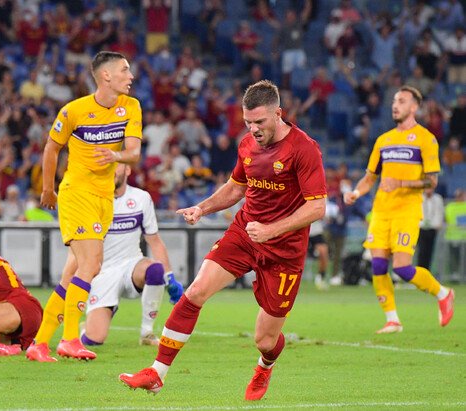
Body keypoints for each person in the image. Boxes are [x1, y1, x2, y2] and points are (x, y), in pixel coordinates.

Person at [119, 80, 327, 401]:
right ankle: (157, 373)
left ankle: (264, 366)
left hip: (284, 251)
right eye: (248, 122)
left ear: (278, 114)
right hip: (245, 234)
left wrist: (272, 230)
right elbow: (236, 188)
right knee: (196, 291)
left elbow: (317, 207)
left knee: (265, 340)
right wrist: (201, 208)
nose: (253, 129)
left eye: (260, 122)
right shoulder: (247, 144)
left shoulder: (304, 149)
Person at [26, 51, 142, 362]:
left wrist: (115, 156)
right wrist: (47, 189)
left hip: (104, 198)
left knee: (73, 274)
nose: (131, 76)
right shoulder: (74, 110)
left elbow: (133, 153)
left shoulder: (131, 106)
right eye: (124, 70)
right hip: (77, 193)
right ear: (106, 76)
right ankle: (69, 339)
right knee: (92, 264)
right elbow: (52, 148)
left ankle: (39, 343)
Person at [344, 85, 454, 334]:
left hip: (407, 210)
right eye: (394, 101)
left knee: (402, 268)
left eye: (402, 101)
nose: (395, 105)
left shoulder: (426, 139)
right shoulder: (384, 140)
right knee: (378, 266)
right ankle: (392, 319)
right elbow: (369, 178)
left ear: (414, 107)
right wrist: (356, 193)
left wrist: (401, 183)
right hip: (381, 211)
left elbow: (432, 182)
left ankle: (443, 293)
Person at [80, 163, 184, 347]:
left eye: (116, 165)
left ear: (127, 170)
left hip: (131, 265)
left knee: (155, 270)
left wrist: (170, 277)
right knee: (93, 340)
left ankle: (147, 333)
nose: (111, 170)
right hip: (102, 272)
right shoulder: (91, 199)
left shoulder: (141, 198)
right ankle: (87, 326)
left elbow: (155, 241)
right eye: (107, 166)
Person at [417, 187, 444, 276]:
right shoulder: (419, 197)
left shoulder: (438, 199)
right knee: (421, 251)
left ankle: (426, 274)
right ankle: (419, 273)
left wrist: (438, 224)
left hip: (432, 228)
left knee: (429, 252)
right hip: (421, 228)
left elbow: (440, 212)